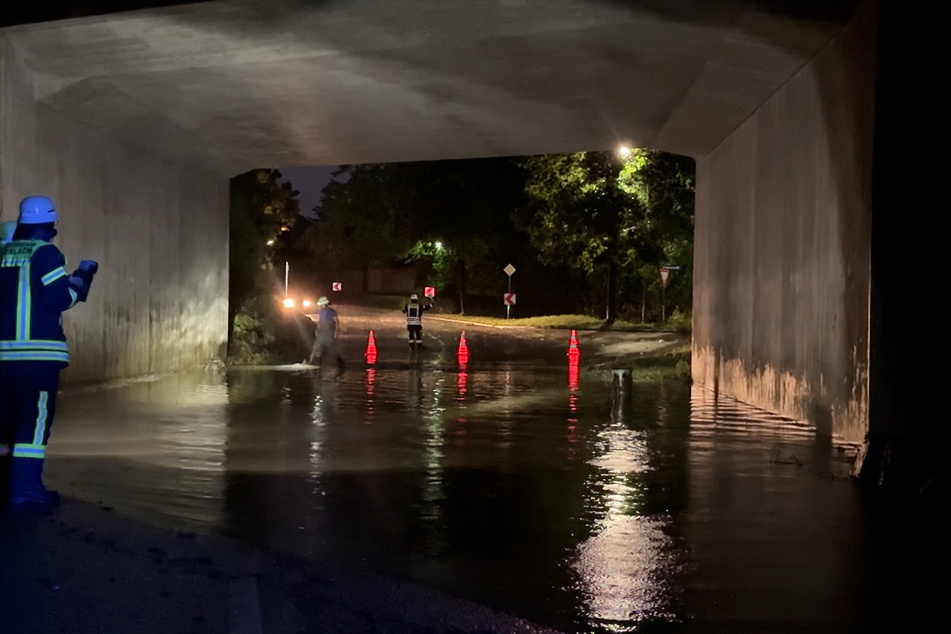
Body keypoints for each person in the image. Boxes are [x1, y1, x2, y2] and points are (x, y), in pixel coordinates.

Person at [0, 195, 98, 506]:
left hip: (2, 357)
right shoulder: (46, 253)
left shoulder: (2, 253)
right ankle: (26, 491)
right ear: (50, 226)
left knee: (5, 421)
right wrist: (82, 277)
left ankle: (5, 484)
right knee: (33, 420)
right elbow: (59, 299)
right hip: (37, 358)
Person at [308, 296, 345, 373]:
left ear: (325, 304)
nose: (320, 306)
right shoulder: (321, 312)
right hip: (321, 333)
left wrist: (336, 332)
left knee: (332, 350)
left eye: (321, 305)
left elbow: (337, 322)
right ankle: (313, 363)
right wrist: (317, 330)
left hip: (329, 334)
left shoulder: (331, 312)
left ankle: (341, 364)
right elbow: (320, 322)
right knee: (316, 348)